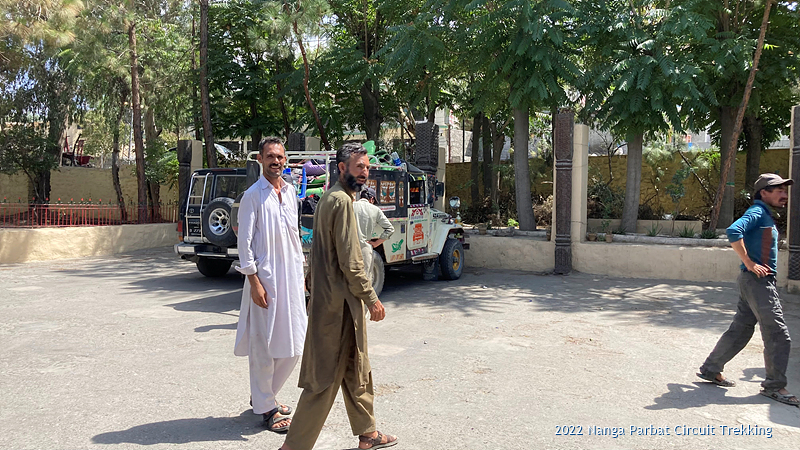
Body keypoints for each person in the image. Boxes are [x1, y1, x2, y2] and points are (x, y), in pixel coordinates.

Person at [280, 143, 398, 450]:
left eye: (367, 167)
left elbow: (319, 251)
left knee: (356, 368)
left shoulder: (329, 198)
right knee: (324, 378)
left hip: (332, 301)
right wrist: (371, 298)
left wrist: (311, 281)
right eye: (359, 167)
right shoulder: (342, 202)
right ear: (342, 168)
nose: (365, 172)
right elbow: (350, 260)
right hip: (339, 306)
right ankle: (294, 446)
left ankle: (368, 433)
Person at [697, 173, 798, 406]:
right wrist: (750, 263)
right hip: (758, 282)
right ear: (764, 193)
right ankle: (775, 386)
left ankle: (711, 369)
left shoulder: (765, 214)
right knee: (778, 334)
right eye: (779, 190)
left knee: (741, 330)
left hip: (752, 281)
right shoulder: (758, 212)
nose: (784, 195)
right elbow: (734, 231)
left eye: (785, 190)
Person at [234, 136, 308, 433]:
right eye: (270, 156)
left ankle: (264, 395)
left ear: (285, 160)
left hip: (291, 278)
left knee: (295, 342)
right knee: (263, 345)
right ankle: (267, 408)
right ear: (260, 159)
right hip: (265, 280)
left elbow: (294, 237)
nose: (275, 161)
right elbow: (244, 243)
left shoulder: (290, 192)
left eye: (279, 156)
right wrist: (254, 281)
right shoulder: (253, 195)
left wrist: (303, 273)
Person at [352, 187, 395, 283]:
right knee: (365, 281)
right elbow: (390, 229)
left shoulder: (351, 206)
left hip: (348, 248)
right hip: (365, 248)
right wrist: (376, 243)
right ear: (371, 199)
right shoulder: (375, 210)